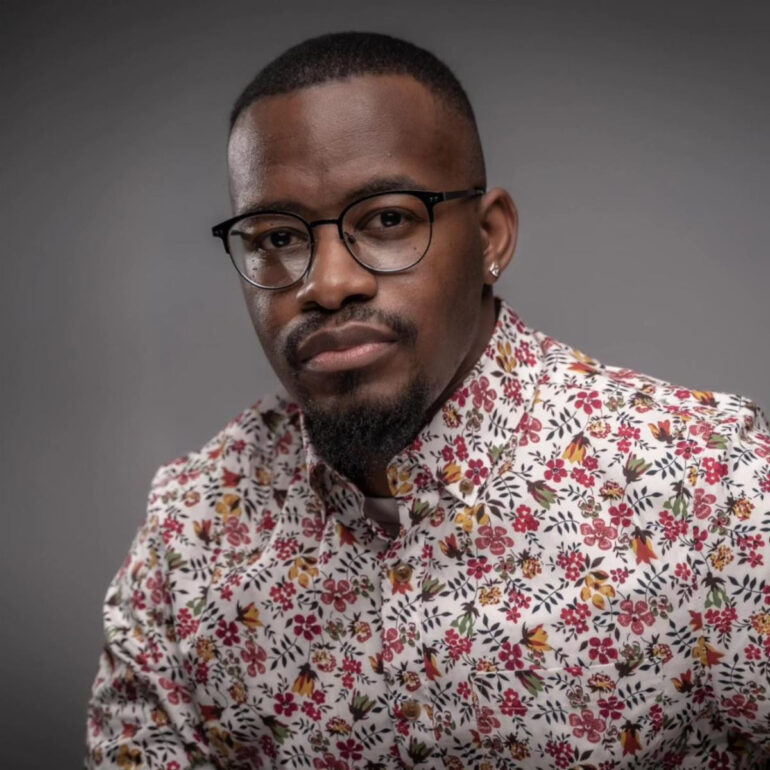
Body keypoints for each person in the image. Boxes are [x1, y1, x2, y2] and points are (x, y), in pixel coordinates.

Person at [85, 31, 770, 769]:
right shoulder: (190, 530)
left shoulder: (708, 486)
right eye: (277, 236)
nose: (328, 284)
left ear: (489, 237)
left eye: (387, 219)